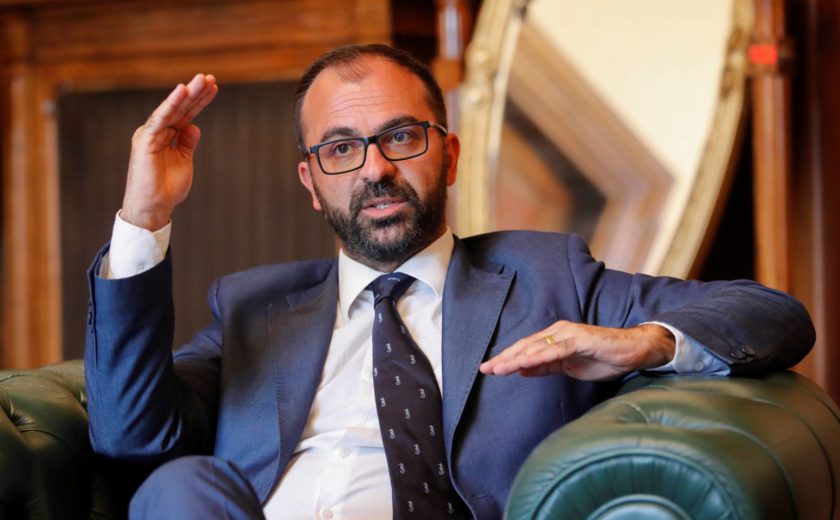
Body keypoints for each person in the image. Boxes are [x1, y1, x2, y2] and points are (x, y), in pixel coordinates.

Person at [85, 44, 814, 520]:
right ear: (311, 183)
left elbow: (772, 315)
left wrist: (645, 342)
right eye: (341, 149)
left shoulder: (549, 278)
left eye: (401, 136)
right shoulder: (254, 310)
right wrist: (145, 215)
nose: (375, 168)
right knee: (178, 488)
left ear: (450, 154)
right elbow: (129, 434)